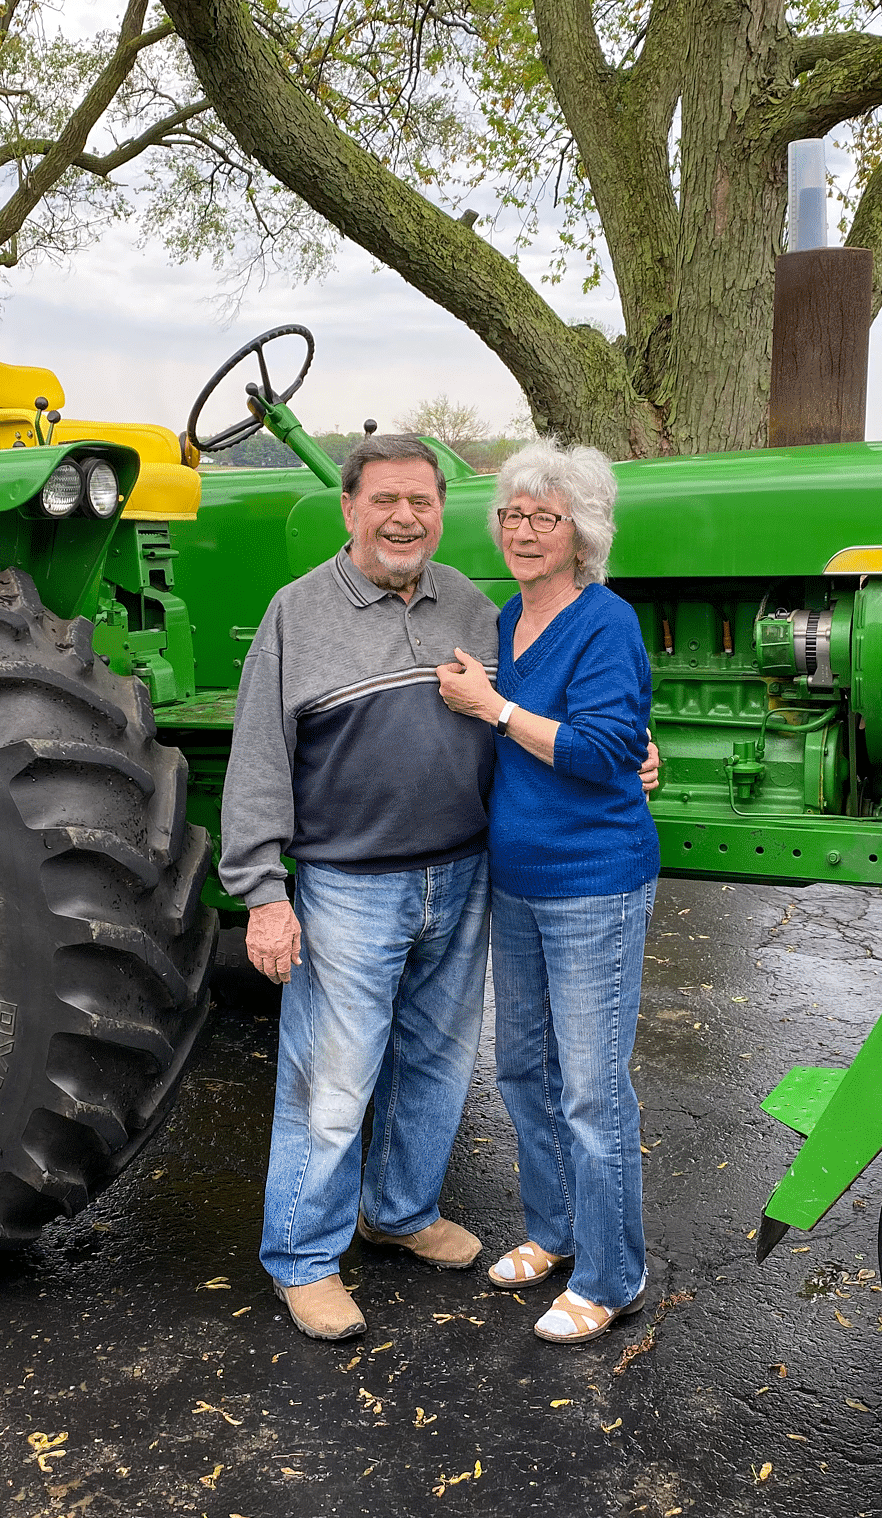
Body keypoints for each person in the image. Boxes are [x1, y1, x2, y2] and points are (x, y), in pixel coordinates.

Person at [220, 433, 501, 1342]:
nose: (404, 518)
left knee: (435, 1063)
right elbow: (258, 759)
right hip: (348, 887)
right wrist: (264, 894)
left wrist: (627, 755)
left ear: (440, 512)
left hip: (461, 874)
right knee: (332, 1084)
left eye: (421, 501)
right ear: (350, 510)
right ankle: (303, 1258)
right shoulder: (297, 613)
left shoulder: (468, 602)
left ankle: (403, 1212)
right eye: (385, 500)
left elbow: (523, 718)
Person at [435, 439, 661, 1344]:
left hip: (592, 884)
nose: (525, 532)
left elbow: (604, 746)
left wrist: (495, 710)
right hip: (517, 881)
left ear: (583, 535)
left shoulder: (606, 623)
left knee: (593, 1090)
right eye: (513, 515)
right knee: (526, 1068)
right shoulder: (499, 623)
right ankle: (556, 1232)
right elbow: (601, 745)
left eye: (547, 517)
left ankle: (613, 1276)